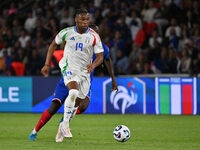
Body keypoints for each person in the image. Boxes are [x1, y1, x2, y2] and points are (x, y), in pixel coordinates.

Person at [28, 9, 116, 141]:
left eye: (88, 21)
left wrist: (112, 79)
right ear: (77, 20)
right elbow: (56, 45)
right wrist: (47, 64)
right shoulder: (69, 33)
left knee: (82, 105)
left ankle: (63, 123)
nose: (87, 25)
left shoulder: (99, 44)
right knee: (55, 106)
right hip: (68, 74)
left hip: (84, 78)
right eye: (83, 20)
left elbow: (105, 59)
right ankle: (35, 131)